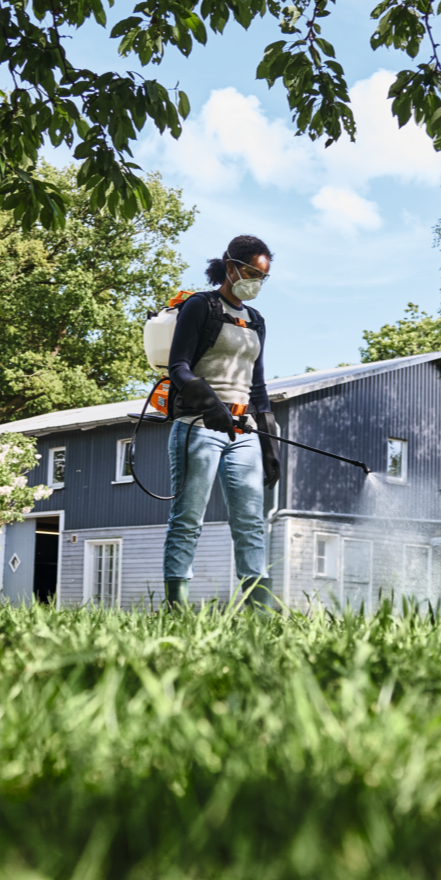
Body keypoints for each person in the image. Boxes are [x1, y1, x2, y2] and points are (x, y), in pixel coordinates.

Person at [162, 234, 281, 609]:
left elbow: (257, 385)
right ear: (230, 267)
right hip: (198, 425)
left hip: (243, 431)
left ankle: (258, 608)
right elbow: (177, 366)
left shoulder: (256, 321)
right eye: (251, 272)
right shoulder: (201, 306)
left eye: (263, 277)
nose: (255, 282)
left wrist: (268, 441)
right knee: (188, 518)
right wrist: (208, 400)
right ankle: (177, 606)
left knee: (250, 522)